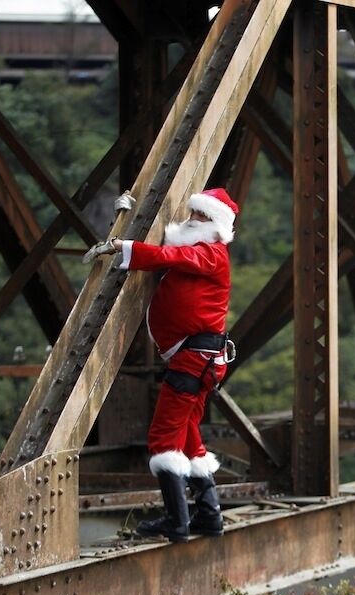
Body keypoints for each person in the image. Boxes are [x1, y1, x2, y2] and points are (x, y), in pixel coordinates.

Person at [83, 187, 239, 542]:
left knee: (163, 438)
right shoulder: (206, 251)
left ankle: (176, 521)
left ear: (216, 224)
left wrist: (122, 247)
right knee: (188, 435)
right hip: (201, 359)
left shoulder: (212, 252)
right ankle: (209, 516)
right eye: (193, 212)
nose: (193, 218)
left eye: (202, 215)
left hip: (193, 360)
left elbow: (173, 256)